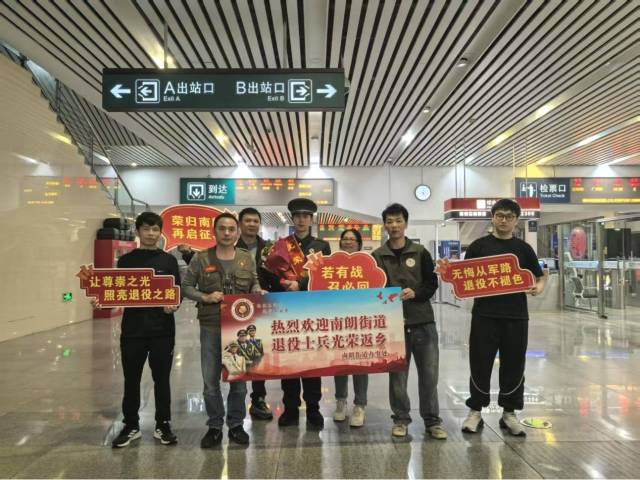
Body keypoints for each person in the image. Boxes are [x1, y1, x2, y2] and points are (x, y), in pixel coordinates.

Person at [460, 198, 546, 436]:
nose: (504, 220)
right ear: (493, 217)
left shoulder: (524, 249)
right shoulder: (478, 247)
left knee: (514, 364)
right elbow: (463, 277)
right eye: (500, 215)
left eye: (509, 216)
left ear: (516, 220)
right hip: (484, 316)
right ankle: (475, 411)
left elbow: (540, 276)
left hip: (516, 317)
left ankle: (509, 413)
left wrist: (538, 288)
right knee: (480, 363)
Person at [182, 212, 263, 447]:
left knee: (239, 380)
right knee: (210, 381)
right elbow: (186, 287)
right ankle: (215, 426)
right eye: (222, 229)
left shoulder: (246, 258)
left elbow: (254, 282)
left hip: (238, 329)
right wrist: (205, 296)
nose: (227, 233)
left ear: (237, 233)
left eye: (231, 229)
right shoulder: (201, 259)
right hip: (210, 326)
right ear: (214, 232)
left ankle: (236, 425)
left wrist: (257, 291)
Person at [371, 203, 447, 440]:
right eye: (389, 221)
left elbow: (431, 284)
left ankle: (432, 421)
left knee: (429, 376)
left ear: (405, 223)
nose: (394, 225)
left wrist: (416, 293)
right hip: (394, 325)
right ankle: (401, 419)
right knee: (397, 377)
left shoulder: (420, 252)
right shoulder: (377, 256)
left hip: (423, 322)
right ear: (384, 225)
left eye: (398, 221)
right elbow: (373, 289)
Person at [110, 211, 180, 448]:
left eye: (155, 229)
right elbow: (116, 292)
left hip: (162, 331)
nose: (151, 234)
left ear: (160, 232)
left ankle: (163, 424)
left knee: (162, 380)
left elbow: (177, 291)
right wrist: (102, 299)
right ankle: (131, 425)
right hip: (133, 332)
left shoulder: (168, 261)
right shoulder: (126, 261)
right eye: (146, 229)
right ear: (138, 231)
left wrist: (174, 304)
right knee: (131, 379)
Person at [274, 198, 331, 429]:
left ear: (311, 219)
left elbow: (324, 276)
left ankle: (314, 408)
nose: (301, 220)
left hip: (311, 310)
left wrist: (301, 283)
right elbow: (271, 273)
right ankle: (290, 408)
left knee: (312, 361)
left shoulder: (321, 246)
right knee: (288, 361)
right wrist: (283, 283)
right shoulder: (281, 245)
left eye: (305, 216)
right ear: (292, 218)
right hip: (286, 310)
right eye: (297, 216)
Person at [235, 207, 280, 420]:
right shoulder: (230, 246)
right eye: (248, 220)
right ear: (240, 223)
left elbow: (277, 275)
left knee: (257, 352)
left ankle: (258, 399)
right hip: (236, 308)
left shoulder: (269, 249)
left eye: (255, 221)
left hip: (261, 306)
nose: (252, 224)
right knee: (237, 352)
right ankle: (236, 401)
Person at [333, 228, 369, 427]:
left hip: (361, 321)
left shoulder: (367, 263)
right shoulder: (332, 264)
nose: (348, 242)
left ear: (359, 244)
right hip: (338, 321)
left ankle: (360, 405)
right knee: (340, 363)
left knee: (360, 364)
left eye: (352, 239)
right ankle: (340, 401)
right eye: (345, 239)